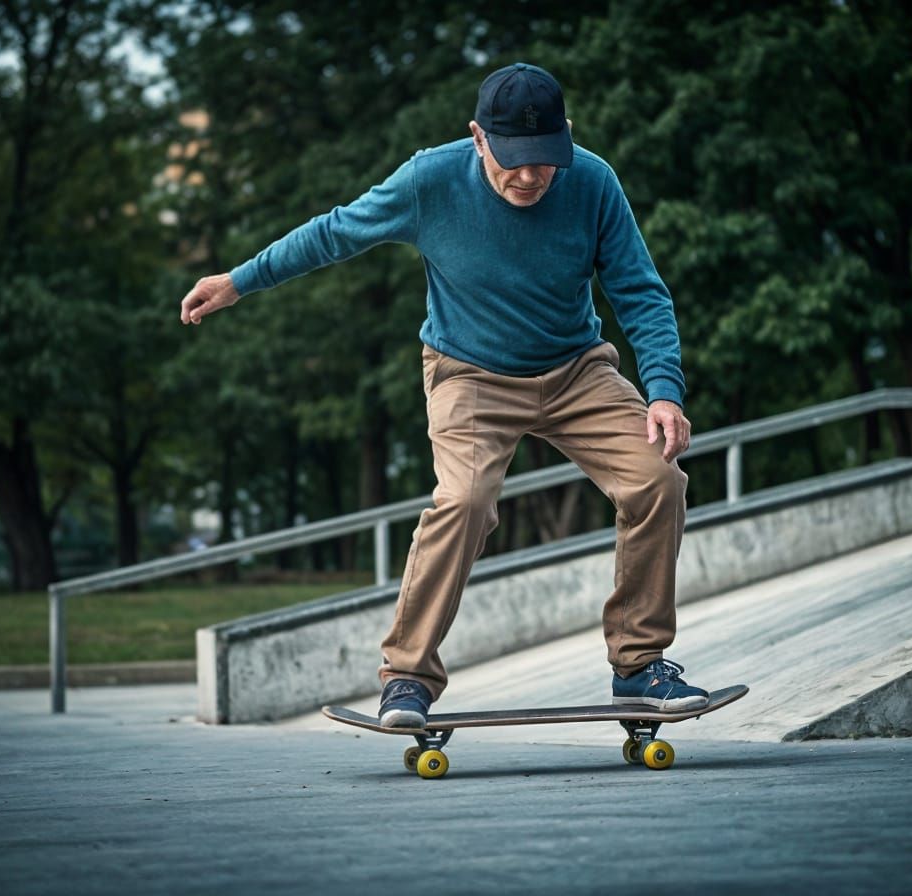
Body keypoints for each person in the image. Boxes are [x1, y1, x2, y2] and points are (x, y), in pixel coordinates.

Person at [179, 62, 709, 727]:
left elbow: (641, 291)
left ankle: (637, 665)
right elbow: (335, 232)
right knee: (464, 501)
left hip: (576, 370)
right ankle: (407, 676)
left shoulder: (594, 182)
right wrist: (238, 281)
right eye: (512, 160)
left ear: (564, 140)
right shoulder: (429, 180)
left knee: (657, 481)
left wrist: (662, 390)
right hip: (469, 375)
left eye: (544, 160)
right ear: (478, 138)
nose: (528, 176)